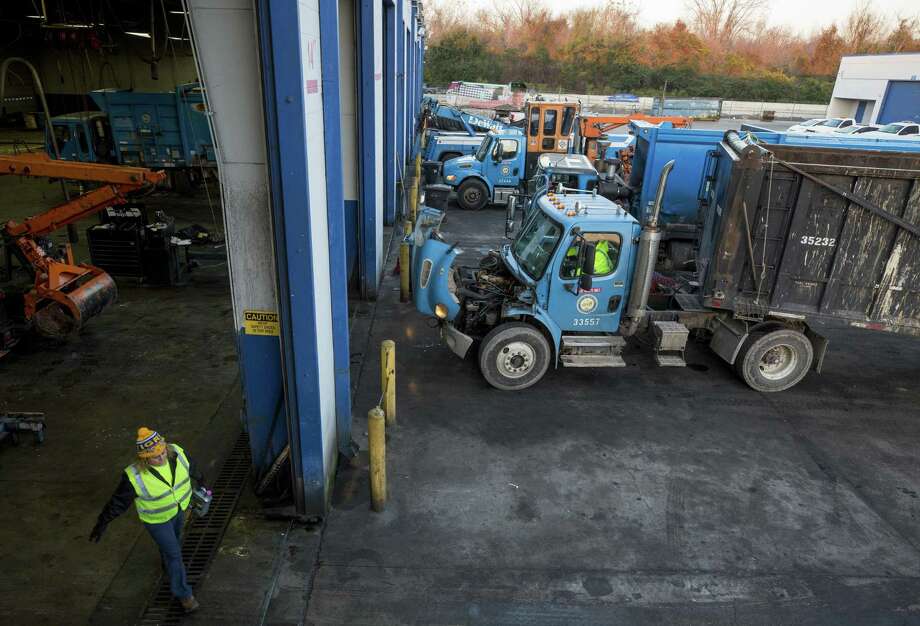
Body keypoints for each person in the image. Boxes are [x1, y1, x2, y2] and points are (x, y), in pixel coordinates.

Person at [90, 428, 207, 614]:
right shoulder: (134, 476)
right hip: (156, 520)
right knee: (175, 555)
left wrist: (201, 481)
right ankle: (184, 595)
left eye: (162, 453)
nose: (161, 458)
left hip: (178, 511)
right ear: (144, 459)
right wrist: (103, 521)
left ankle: (167, 563)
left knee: (173, 545)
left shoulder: (176, 453)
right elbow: (118, 502)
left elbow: (192, 467)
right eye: (154, 457)